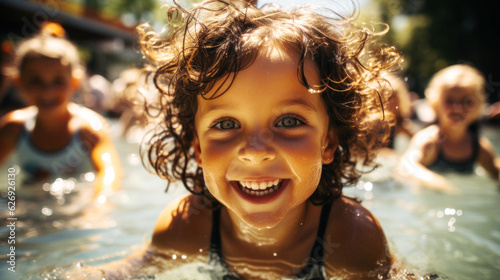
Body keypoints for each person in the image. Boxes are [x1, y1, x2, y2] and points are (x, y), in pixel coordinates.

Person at [96, 1, 407, 279]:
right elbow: (124, 272)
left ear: (327, 142)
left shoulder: (351, 236)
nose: (255, 152)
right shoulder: (189, 226)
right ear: (198, 147)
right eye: (226, 123)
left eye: (289, 122)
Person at [0, 22, 122, 198]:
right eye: (36, 81)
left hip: (79, 214)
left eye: (58, 81)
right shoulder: (13, 128)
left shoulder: (89, 128)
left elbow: (110, 177)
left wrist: (97, 207)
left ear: (74, 81)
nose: (47, 90)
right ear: (19, 82)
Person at [396, 64, 500, 193]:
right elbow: (405, 166)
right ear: (436, 104)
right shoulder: (430, 140)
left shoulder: (478, 146)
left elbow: (495, 171)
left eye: (467, 101)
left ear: (478, 106)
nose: (457, 108)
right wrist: (438, 183)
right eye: (450, 101)